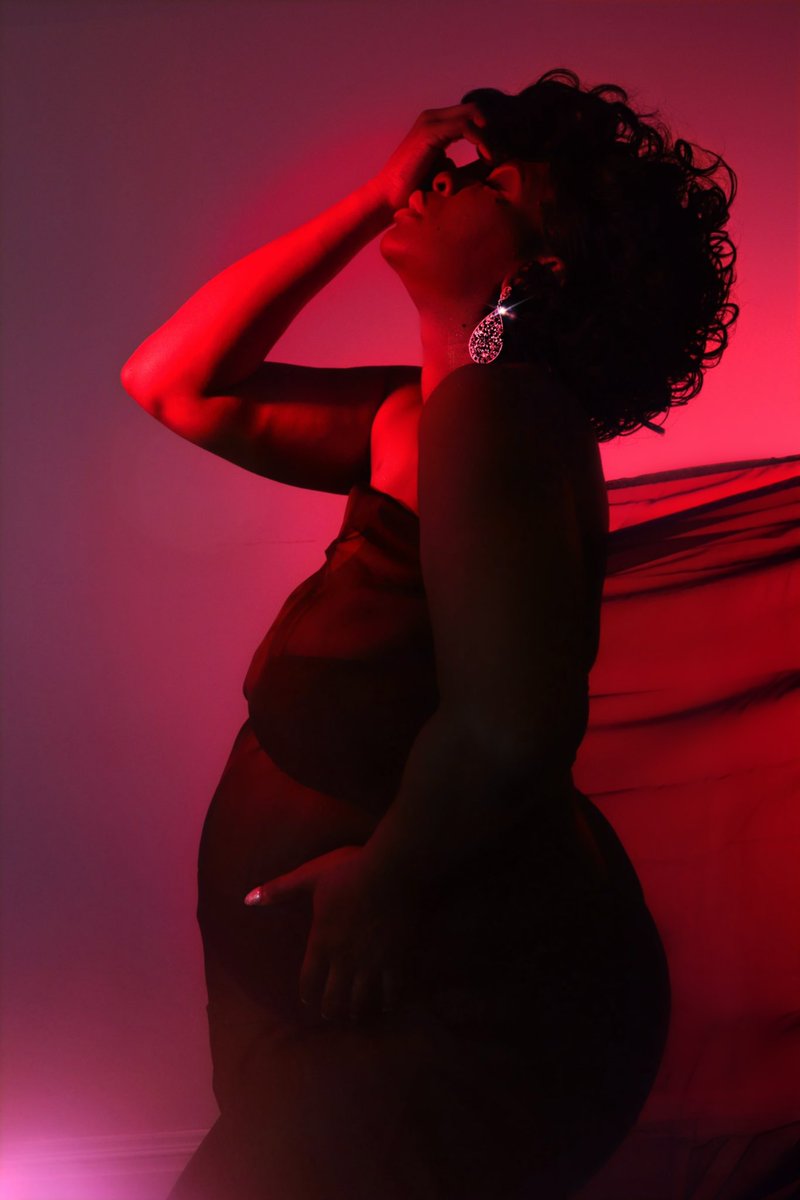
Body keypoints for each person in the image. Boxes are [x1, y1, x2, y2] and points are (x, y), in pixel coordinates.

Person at [120, 68, 738, 1199]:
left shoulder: (501, 414)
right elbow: (173, 382)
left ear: (535, 274)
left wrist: (384, 881)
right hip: (378, 1003)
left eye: (491, 182)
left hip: (460, 1018)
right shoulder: (421, 413)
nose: (447, 180)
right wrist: (373, 196)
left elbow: (513, 725)